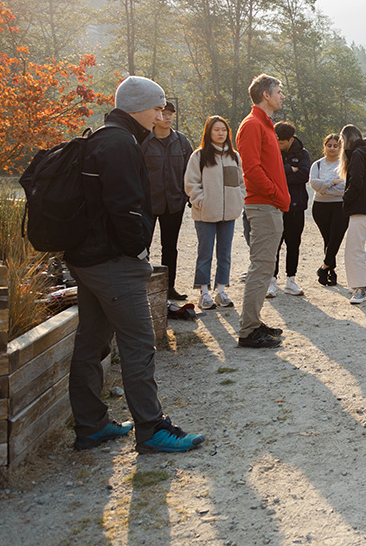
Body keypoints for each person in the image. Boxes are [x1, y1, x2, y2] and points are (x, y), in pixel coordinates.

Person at [67, 75, 204, 453]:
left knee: (92, 342)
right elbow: (126, 208)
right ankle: (151, 429)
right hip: (114, 262)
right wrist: (139, 250)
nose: (162, 114)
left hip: (89, 259)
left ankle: (90, 425)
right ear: (138, 107)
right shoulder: (120, 143)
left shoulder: (103, 136)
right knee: (138, 344)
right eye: (158, 107)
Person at [236, 73, 290, 349]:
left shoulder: (265, 124)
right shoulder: (252, 124)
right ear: (265, 95)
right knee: (261, 267)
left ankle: (254, 323)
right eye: (278, 91)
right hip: (263, 204)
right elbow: (252, 169)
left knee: (265, 266)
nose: (282, 95)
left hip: (270, 204)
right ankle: (248, 330)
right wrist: (277, 194)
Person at [184, 115, 244, 310]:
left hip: (229, 214)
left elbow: (240, 182)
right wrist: (201, 201)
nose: (220, 133)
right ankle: (204, 292)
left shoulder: (234, 156)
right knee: (205, 254)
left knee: (225, 254)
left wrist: (239, 199)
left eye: (223, 130)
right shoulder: (199, 156)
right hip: (205, 214)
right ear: (209, 132)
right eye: (216, 129)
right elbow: (191, 183)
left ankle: (221, 291)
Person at [142, 99, 194, 302]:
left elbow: (191, 172)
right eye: (164, 113)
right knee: (143, 247)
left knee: (170, 247)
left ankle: (168, 288)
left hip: (173, 203)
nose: (168, 117)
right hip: (148, 204)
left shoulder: (182, 142)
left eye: (171, 114)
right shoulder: (144, 141)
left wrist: (185, 196)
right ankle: (143, 289)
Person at [338, 125, 366, 304]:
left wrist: (347, 198)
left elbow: (357, 182)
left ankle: (360, 288)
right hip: (364, 205)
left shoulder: (357, 155)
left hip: (359, 206)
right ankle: (357, 284)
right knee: (355, 247)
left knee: (355, 249)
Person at [272, 122, 311, 297]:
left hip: (296, 206)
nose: (277, 144)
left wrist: (283, 173)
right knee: (274, 244)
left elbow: (303, 175)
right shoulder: (271, 151)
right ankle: (271, 280)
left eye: (281, 142)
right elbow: (271, 174)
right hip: (275, 205)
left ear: (291, 140)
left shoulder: (303, 154)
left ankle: (291, 280)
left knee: (293, 244)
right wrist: (290, 169)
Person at [310, 134, 347, 287]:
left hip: (340, 206)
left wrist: (324, 186)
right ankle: (331, 271)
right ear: (324, 147)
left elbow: (344, 187)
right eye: (329, 145)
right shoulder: (317, 165)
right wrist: (332, 181)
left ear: (340, 148)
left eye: (335, 145)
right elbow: (313, 184)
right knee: (328, 239)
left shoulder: (345, 165)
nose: (332, 148)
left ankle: (324, 267)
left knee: (336, 238)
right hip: (320, 206)